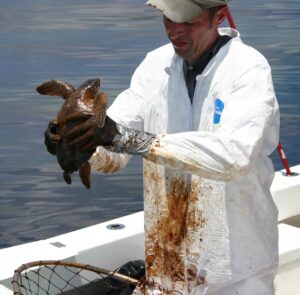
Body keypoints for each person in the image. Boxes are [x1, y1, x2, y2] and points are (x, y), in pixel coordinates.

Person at [45, 0, 280, 294]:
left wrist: (128, 139)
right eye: (168, 18)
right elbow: (113, 150)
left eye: (189, 21)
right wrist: (77, 142)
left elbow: (234, 157)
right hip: (167, 264)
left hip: (237, 272)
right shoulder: (155, 66)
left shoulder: (248, 69)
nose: (175, 30)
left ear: (218, 16)